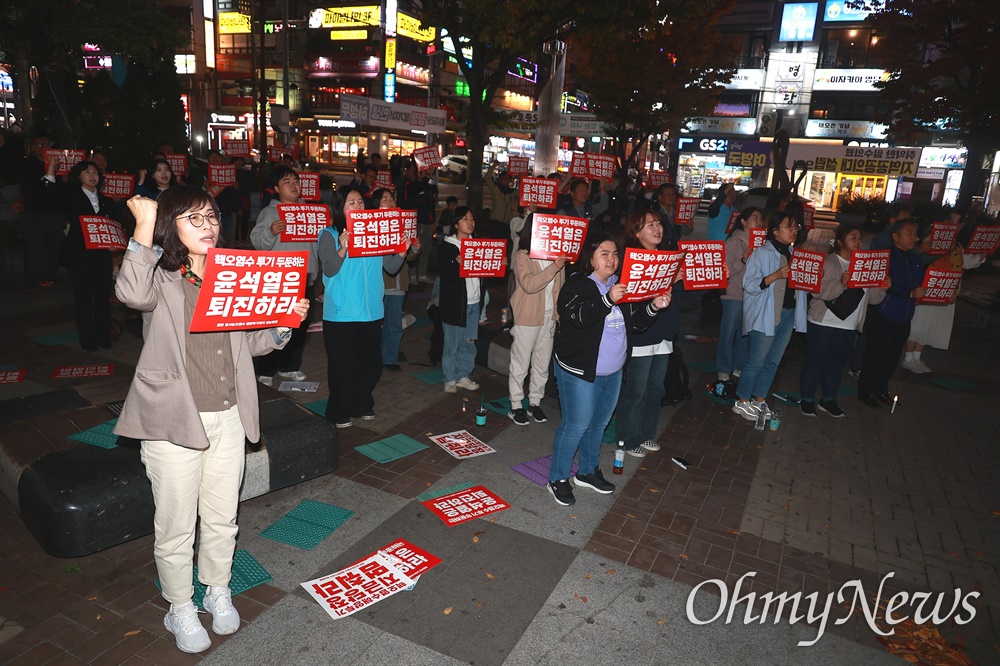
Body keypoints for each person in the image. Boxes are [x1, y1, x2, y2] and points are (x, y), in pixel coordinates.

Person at [113, 188, 308, 654]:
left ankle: (217, 589)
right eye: (194, 218)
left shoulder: (232, 273)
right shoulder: (161, 277)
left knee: (222, 518)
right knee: (177, 523)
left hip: (229, 416)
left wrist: (283, 323)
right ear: (172, 226)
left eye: (213, 216)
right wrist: (143, 226)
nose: (208, 225)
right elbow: (130, 293)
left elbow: (251, 344)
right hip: (174, 420)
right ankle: (179, 605)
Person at [546, 232, 668, 506]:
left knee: (599, 423)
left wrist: (653, 306)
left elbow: (634, 323)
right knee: (575, 425)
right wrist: (608, 299)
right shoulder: (577, 285)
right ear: (590, 258)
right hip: (580, 370)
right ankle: (558, 477)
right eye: (604, 253)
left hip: (612, 371)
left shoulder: (619, 285)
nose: (611, 259)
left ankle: (587, 472)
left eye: (614, 254)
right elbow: (578, 317)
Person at [318, 186, 409, 428]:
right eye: (351, 203)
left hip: (371, 310)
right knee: (342, 365)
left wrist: (400, 253)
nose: (357, 207)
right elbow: (328, 268)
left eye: (360, 202)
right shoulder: (329, 234)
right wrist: (342, 248)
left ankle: (360, 402)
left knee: (370, 363)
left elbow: (390, 267)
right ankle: (338, 410)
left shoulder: (373, 233)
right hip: (341, 313)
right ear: (340, 208)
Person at [799, 225, 888, 417]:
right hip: (823, 323)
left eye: (859, 238)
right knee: (815, 363)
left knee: (837, 366)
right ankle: (806, 399)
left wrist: (882, 287)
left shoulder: (864, 265)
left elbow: (873, 299)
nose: (858, 242)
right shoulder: (829, 263)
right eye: (852, 237)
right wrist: (840, 283)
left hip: (848, 326)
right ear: (840, 241)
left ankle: (828, 400)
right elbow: (817, 290)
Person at [732, 211, 808, 421]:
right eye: (788, 226)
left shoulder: (796, 254)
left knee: (773, 362)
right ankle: (742, 401)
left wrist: (812, 278)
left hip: (788, 314)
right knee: (756, 360)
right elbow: (749, 284)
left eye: (796, 227)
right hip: (766, 315)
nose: (793, 231)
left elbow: (800, 288)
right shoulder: (762, 253)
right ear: (775, 231)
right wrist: (775, 275)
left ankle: (759, 399)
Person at [249, 165, 320, 385]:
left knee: (299, 326)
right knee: (274, 323)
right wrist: (271, 232)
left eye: (296, 181)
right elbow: (257, 242)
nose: (293, 185)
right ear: (276, 188)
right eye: (287, 182)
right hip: (279, 279)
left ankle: (290, 366)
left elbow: (317, 244)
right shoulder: (270, 212)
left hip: (305, 278)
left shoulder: (308, 211)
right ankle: (267, 370)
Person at [616, 210, 679, 458]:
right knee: (635, 390)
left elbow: (681, 300)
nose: (657, 228)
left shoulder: (668, 259)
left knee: (655, 389)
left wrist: (711, 277)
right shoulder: (632, 263)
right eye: (649, 224)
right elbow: (632, 302)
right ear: (636, 233)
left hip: (663, 335)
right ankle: (627, 438)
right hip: (641, 336)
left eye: (658, 223)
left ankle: (645, 434)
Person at [857, 218, 925, 408]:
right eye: (909, 233)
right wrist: (908, 293)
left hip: (905, 315)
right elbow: (884, 283)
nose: (914, 237)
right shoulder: (885, 257)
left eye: (915, 233)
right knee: (875, 354)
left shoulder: (915, 258)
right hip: (884, 313)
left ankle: (881, 389)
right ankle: (866, 391)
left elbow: (919, 283)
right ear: (895, 236)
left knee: (893, 356)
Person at [507, 215, 566, 425]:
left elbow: (560, 287)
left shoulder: (555, 255)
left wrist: (558, 314)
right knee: (520, 362)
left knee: (541, 363)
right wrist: (554, 268)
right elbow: (530, 285)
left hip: (549, 317)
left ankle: (534, 402)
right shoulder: (523, 256)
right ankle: (515, 405)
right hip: (527, 317)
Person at [60, 161, 119, 351]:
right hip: (80, 253)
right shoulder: (71, 196)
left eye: (95, 172)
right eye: (87, 172)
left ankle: (103, 334)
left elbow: (116, 224)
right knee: (83, 296)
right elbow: (53, 195)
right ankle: (87, 338)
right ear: (79, 176)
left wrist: (114, 244)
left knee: (102, 295)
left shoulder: (106, 200)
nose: (93, 175)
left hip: (102, 254)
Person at [374, 187, 421, 371]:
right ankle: (375, 357)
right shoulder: (372, 227)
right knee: (375, 326)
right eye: (385, 199)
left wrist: (414, 249)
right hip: (378, 285)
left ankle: (389, 359)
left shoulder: (402, 225)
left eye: (392, 198)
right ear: (376, 205)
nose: (390, 202)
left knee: (394, 325)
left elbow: (407, 258)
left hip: (398, 285)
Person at [716, 208, 764, 382]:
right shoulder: (734, 242)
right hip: (733, 294)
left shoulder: (761, 244)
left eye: (761, 219)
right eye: (755, 217)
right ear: (743, 221)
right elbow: (725, 270)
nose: (759, 221)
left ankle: (738, 366)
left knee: (745, 334)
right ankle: (723, 368)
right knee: (728, 333)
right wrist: (743, 260)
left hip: (752, 296)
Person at [438, 206, 482, 393]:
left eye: (471, 218)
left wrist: (498, 263)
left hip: (474, 302)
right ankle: (450, 377)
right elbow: (446, 276)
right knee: (452, 343)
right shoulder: (447, 247)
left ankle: (463, 375)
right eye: (465, 219)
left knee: (469, 342)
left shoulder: (478, 245)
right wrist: (455, 263)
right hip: (455, 304)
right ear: (456, 224)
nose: (470, 222)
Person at [19, 131, 64, 289]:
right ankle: (33, 280)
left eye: (46, 144)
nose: (43, 147)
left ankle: (50, 276)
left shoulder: (60, 165)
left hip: (55, 212)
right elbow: (30, 187)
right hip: (35, 212)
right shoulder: (27, 164)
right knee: (34, 247)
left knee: (54, 246)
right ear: (32, 148)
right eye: (39, 144)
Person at [400, 160, 438, 283]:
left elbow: (432, 202)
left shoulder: (430, 185)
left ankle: (422, 274)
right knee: (414, 248)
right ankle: (412, 275)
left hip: (427, 221)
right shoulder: (411, 185)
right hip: (415, 222)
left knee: (426, 248)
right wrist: (425, 177)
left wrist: (433, 220)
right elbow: (416, 188)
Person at [485, 159, 520, 229]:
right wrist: (493, 166)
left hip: (508, 222)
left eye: (507, 178)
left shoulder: (512, 192)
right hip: (496, 220)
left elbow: (522, 192)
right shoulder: (495, 189)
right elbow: (487, 178)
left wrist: (520, 178)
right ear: (500, 179)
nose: (506, 180)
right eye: (504, 178)